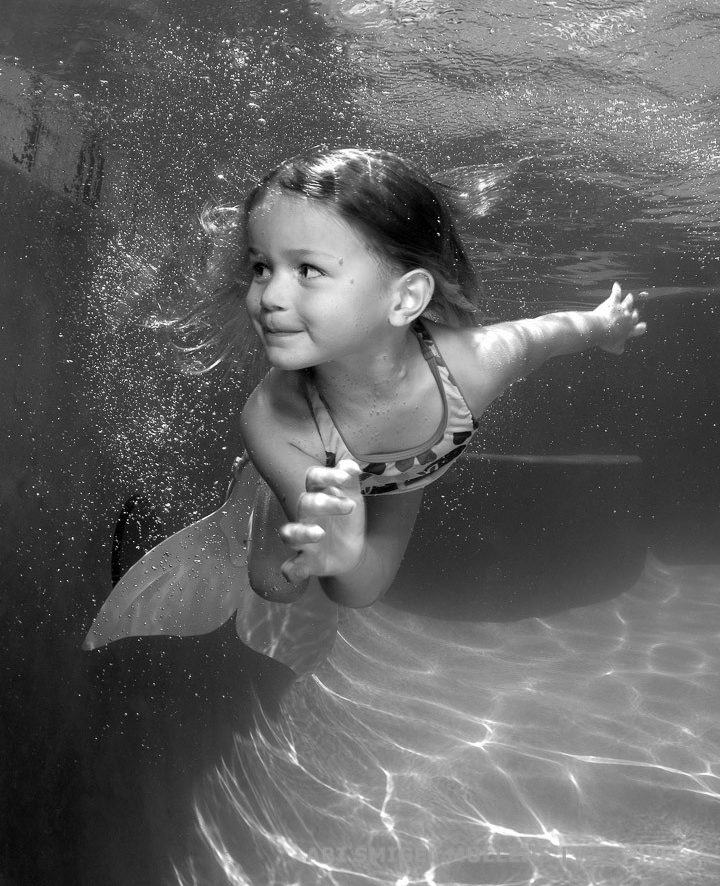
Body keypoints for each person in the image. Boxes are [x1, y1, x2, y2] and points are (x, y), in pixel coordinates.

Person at [83, 147, 645, 672]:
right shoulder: (273, 420)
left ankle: (311, 516)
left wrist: (605, 325)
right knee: (275, 584)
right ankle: (249, 495)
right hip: (319, 466)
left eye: (307, 270)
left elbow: (548, 334)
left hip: (406, 476)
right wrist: (328, 535)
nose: (268, 296)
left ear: (404, 299)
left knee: (359, 583)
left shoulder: (476, 364)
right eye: (261, 267)